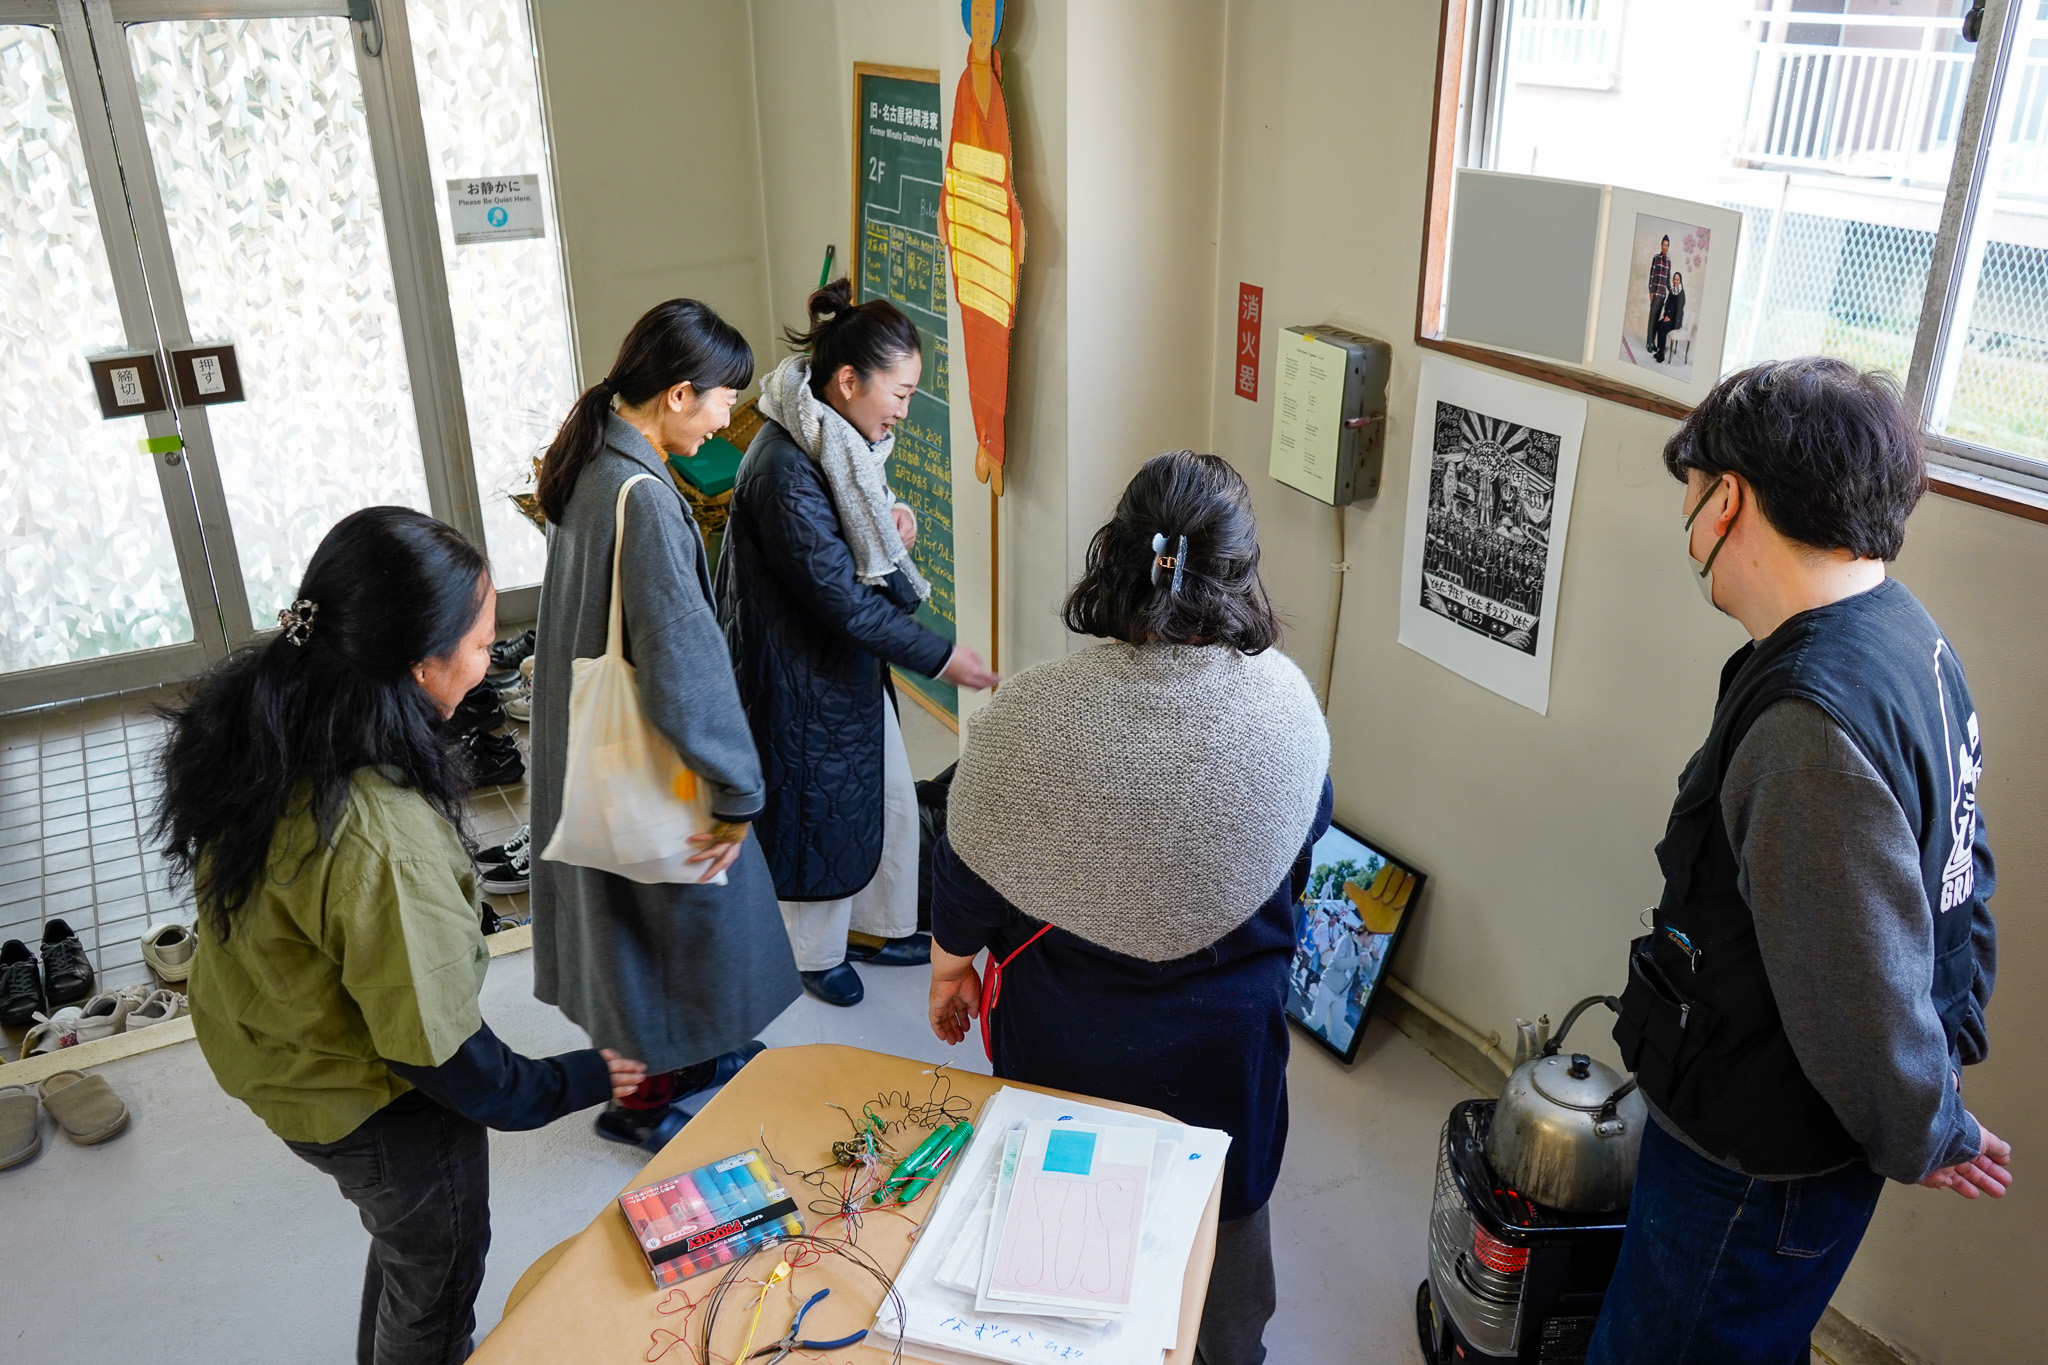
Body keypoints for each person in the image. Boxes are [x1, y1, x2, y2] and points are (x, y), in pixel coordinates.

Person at [1590, 360, 2008, 1365]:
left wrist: (1925, 1125)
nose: (1684, 513)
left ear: (1728, 499)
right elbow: (1964, 867)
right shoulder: (1906, 634)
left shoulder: (1807, 730)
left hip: (1749, 1168)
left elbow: (1856, 994)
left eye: (1692, 488)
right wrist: (1929, 1096)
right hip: (1788, 1142)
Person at [158, 508, 646, 1365]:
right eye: (483, 645)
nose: (490, 662)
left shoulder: (277, 717)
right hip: (367, 1100)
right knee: (438, 1264)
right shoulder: (382, 845)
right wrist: (595, 1073)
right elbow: (457, 1066)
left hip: (269, 1044)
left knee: (406, 1242)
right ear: (420, 664)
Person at [925, 451, 1331, 1365]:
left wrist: (951, 973)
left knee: (1054, 1277)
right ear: (1241, 572)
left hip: (1066, 1057)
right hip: (1225, 1066)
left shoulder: (1026, 718)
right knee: (1223, 1298)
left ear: (1113, 556)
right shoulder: (1290, 713)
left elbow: (967, 875)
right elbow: (1293, 873)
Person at [528, 300, 801, 1151]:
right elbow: (683, 661)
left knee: (642, 916)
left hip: (590, 737)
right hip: (641, 744)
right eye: (724, 400)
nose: (727, 421)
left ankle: (691, 1057)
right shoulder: (642, 495)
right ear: (679, 394)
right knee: (672, 911)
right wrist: (737, 785)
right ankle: (640, 1099)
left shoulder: (594, 459)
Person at [717, 279, 998, 1007]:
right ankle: (813, 956)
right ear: (849, 382)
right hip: (799, 678)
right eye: (899, 393)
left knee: (886, 799)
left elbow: (856, 533)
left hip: (839, 671)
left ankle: (877, 926)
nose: (904, 410)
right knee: (818, 816)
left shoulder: (833, 441)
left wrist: (896, 519)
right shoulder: (783, 469)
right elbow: (843, 600)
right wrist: (944, 656)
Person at [1653, 270, 1686, 364]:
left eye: (1677, 280)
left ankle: (1662, 353)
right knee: (1659, 324)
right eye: (1674, 279)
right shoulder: (1672, 291)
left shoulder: (1681, 294)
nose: (1675, 281)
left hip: (1676, 320)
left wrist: (1670, 317)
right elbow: (1667, 305)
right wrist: (1666, 316)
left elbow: (1678, 310)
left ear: (1680, 281)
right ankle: (1660, 349)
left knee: (1663, 326)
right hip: (1669, 317)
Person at [1646, 234, 1671, 351]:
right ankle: (1649, 343)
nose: (1665, 247)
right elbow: (1652, 275)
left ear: (1668, 247)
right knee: (1652, 319)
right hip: (1656, 294)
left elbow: (1667, 280)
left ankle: (1653, 343)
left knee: (1656, 321)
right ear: (1661, 245)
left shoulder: (1669, 262)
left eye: (1667, 245)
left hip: (1662, 296)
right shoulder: (1656, 258)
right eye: (1663, 245)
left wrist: (1671, 291)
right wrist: (1651, 291)